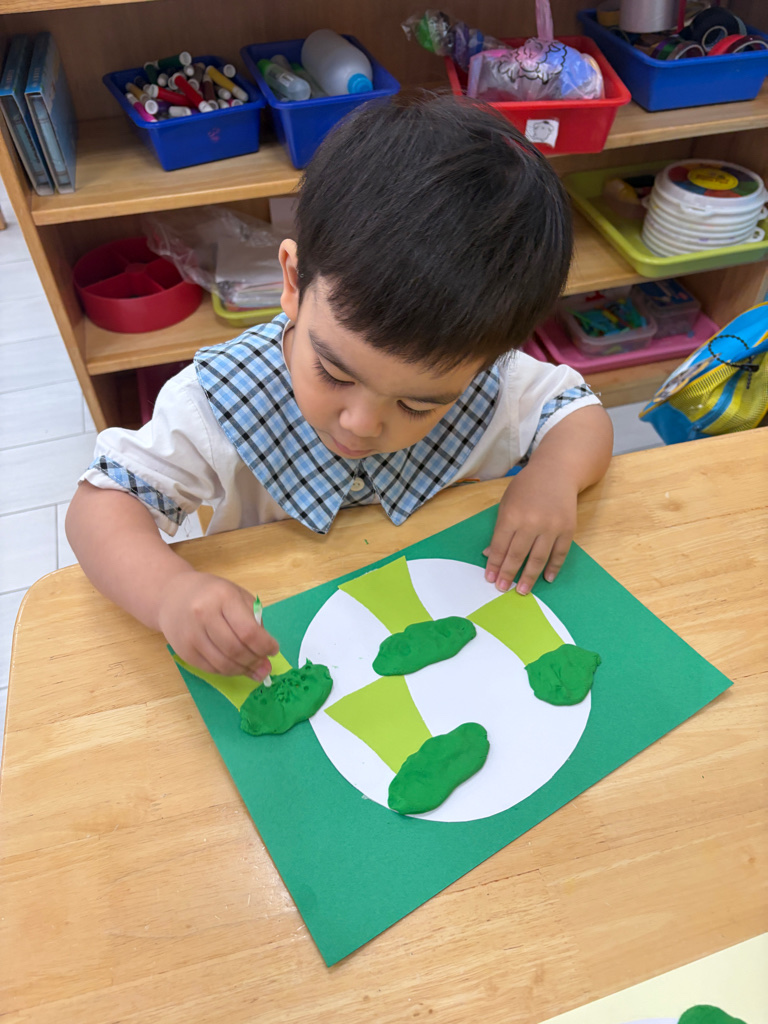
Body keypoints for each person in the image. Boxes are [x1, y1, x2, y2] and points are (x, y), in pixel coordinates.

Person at [66, 95, 613, 684]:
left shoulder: (488, 378)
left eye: (416, 404)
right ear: (293, 280)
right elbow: (100, 508)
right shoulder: (217, 399)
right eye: (334, 374)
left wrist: (553, 475)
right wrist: (169, 592)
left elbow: (578, 411)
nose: (360, 423)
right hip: (280, 642)